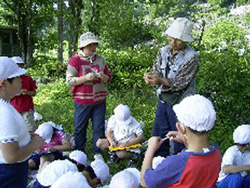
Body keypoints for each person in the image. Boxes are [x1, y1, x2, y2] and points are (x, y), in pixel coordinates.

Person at [144, 17, 199, 157]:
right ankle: (158, 164)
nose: (173, 42)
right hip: (163, 100)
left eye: (178, 39)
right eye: (171, 38)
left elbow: (180, 84)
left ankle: (179, 168)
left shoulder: (191, 57)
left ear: (185, 40)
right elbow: (156, 69)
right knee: (159, 136)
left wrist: (160, 80)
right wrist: (150, 77)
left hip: (182, 104)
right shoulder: (163, 51)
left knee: (180, 138)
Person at [140, 95, 222, 188]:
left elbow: (145, 181)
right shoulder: (216, 152)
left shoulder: (177, 163)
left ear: (181, 127)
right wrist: (184, 139)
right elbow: (199, 152)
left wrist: (150, 149)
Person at [66, 31, 111, 160]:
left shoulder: (101, 59)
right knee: (80, 128)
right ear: (82, 47)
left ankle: (98, 154)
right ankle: (79, 154)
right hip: (82, 101)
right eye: (89, 45)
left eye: (94, 44)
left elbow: (108, 78)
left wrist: (104, 77)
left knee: (99, 128)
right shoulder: (75, 60)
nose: (93, 47)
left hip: (99, 101)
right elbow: (69, 81)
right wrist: (85, 78)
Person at [0, 56, 45, 188]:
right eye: (17, 78)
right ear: (4, 83)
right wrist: (34, 144)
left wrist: (23, 137)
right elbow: (11, 156)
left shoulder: (5, 107)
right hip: (9, 174)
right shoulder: (5, 112)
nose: (21, 81)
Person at [10, 56, 37, 133]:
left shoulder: (28, 79)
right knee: (14, 129)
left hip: (27, 108)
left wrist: (27, 92)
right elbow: (5, 95)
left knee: (29, 129)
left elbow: (34, 92)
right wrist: (15, 93)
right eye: (17, 65)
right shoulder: (8, 79)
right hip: (14, 108)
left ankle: (30, 143)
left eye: (20, 65)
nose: (18, 67)